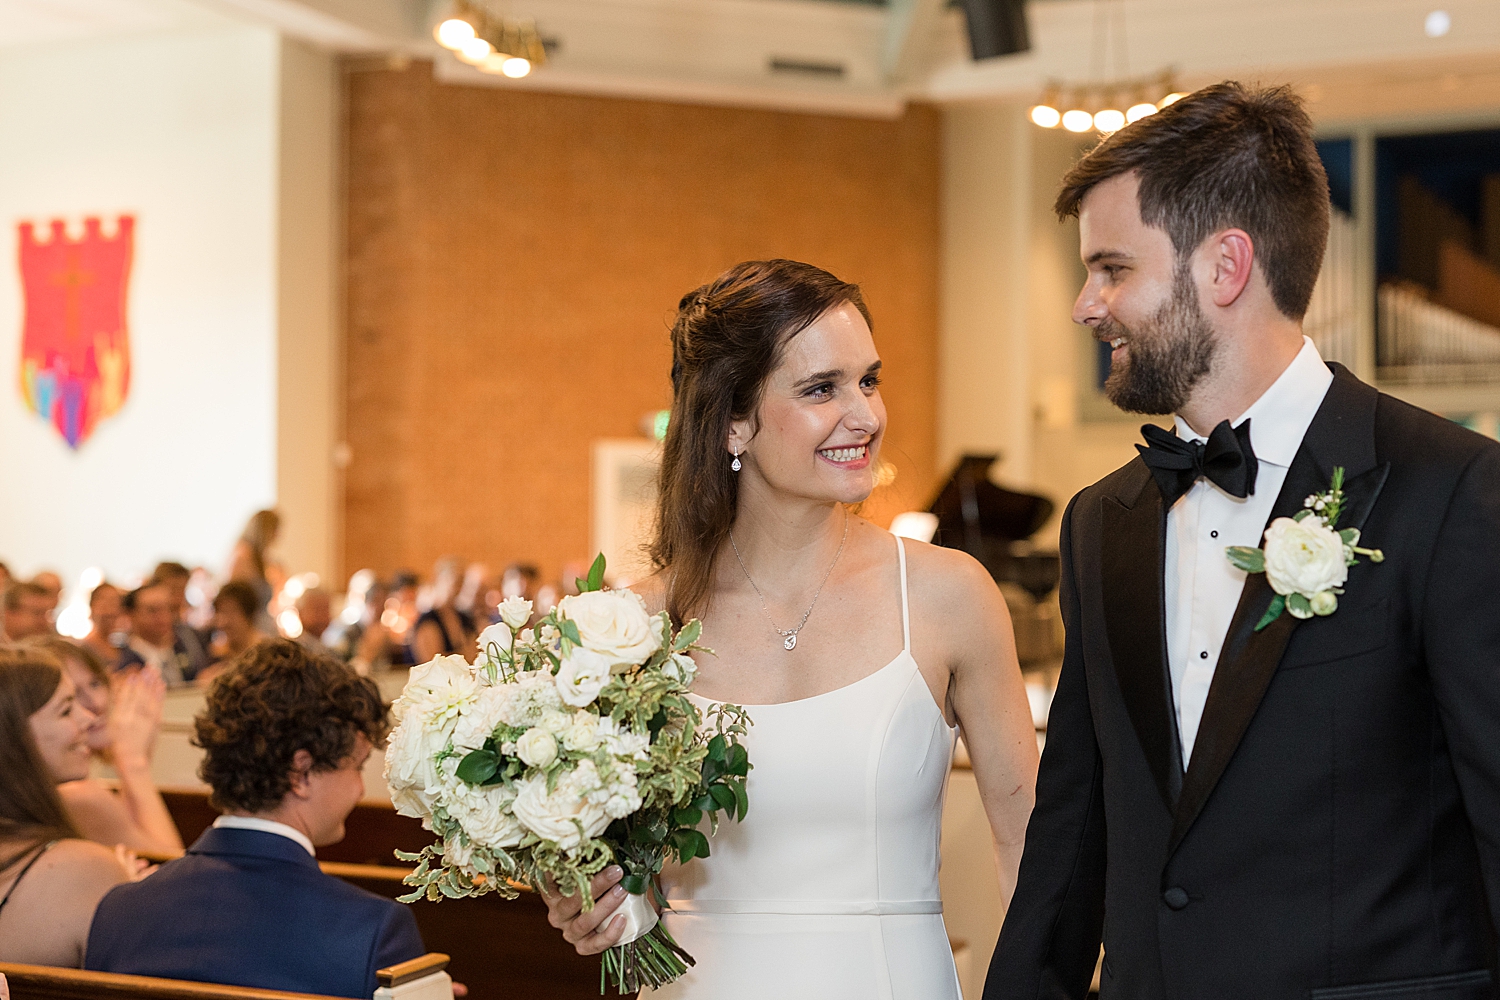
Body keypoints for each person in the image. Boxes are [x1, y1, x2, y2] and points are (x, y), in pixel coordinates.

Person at [985, 83, 1500, 1000]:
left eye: (1111, 269)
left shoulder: (1453, 490)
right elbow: (1073, 833)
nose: (1082, 305)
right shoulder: (1102, 521)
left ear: (1225, 266)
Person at [539, 260, 1039, 998]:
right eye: (820, 388)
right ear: (733, 420)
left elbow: (1027, 842)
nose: (865, 414)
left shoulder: (947, 595)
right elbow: (615, 883)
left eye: (868, 380)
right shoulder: (628, 630)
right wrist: (592, 901)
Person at [85, 639, 425, 996]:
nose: (359, 789)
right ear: (302, 773)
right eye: (356, 767)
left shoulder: (119, 910)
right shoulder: (373, 931)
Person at [0, 645, 135, 966]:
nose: (88, 719)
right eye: (65, 710)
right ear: (14, 738)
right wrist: (128, 889)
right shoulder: (84, 868)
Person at [27, 637, 184, 856]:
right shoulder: (77, 797)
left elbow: (128, 834)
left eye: (94, 684)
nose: (96, 705)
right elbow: (174, 876)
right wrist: (133, 762)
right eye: (69, 702)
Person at [117, 582, 200, 686]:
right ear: (132, 615)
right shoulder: (125, 662)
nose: (163, 617)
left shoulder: (183, 645)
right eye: (153, 610)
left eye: (168, 608)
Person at [150, 562, 212, 679]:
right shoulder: (149, 634)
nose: (178, 599)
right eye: (173, 590)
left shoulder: (187, 633)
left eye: (182, 590)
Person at [227, 510, 282, 634]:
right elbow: (235, 601)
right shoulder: (243, 557)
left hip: (262, 626)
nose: (278, 535)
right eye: (275, 530)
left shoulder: (262, 559)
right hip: (249, 629)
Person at [409, 559, 474, 663]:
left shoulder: (465, 618)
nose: (458, 586)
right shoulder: (427, 621)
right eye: (455, 580)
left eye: (461, 581)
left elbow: (474, 653)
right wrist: (463, 656)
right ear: (439, 579)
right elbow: (432, 662)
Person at [202, 580, 264, 681]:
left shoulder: (264, 653)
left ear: (249, 614)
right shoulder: (215, 654)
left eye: (231, 612)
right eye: (220, 612)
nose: (223, 622)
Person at [80, 582, 124, 666]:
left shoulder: (122, 648)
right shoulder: (84, 648)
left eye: (114, 604)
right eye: (104, 605)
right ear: (92, 608)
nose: (110, 611)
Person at [293, 587, 334, 654]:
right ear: (300, 614)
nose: (322, 617)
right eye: (317, 610)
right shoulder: (294, 652)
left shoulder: (330, 652)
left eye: (325, 610)